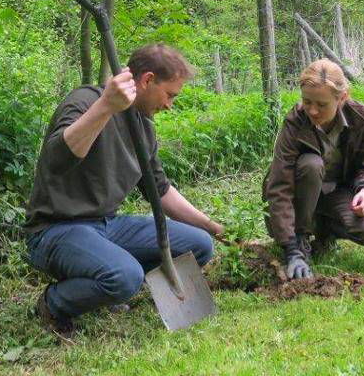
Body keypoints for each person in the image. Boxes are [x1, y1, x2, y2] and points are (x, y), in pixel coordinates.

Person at [24, 44, 224, 337]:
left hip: (108, 225)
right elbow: (56, 160)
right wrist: (106, 106)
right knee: (125, 276)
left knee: (200, 244)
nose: (170, 105)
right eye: (170, 95)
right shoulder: (86, 101)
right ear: (147, 80)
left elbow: (160, 190)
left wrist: (211, 226)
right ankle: (54, 303)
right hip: (55, 230)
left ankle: (111, 284)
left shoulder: (143, 126)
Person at [263, 59, 364, 281]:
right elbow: (279, 186)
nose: (313, 110)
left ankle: (324, 232)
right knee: (311, 163)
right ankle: (300, 238)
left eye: (322, 104)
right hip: (297, 196)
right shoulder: (295, 122)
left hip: (336, 192)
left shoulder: (360, 117)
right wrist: (291, 249)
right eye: (306, 101)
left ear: (342, 98)